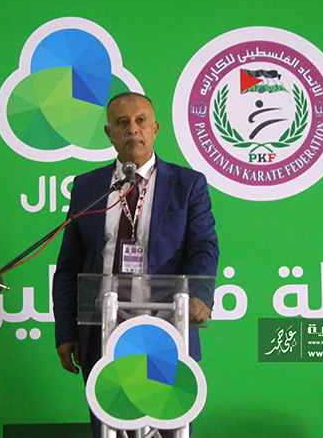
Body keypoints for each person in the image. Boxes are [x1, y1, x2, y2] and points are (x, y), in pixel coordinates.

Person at [52, 92, 219, 437]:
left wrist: (201, 294)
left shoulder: (188, 185)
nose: (133, 129)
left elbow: (203, 246)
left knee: (169, 427)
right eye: (122, 123)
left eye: (141, 121)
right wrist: (66, 330)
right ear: (109, 134)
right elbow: (69, 264)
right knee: (110, 429)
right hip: (104, 331)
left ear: (155, 128)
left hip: (167, 328)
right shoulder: (88, 188)